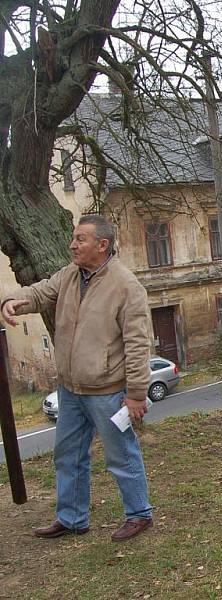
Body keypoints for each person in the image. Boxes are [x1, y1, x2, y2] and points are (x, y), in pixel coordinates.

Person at [1, 214, 153, 542]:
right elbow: (40, 293)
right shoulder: (71, 275)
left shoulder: (127, 286)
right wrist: (13, 301)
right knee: (67, 455)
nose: (73, 244)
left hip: (109, 392)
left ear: (103, 245)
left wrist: (137, 393)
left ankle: (139, 513)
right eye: (73, 238)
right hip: (70, 389)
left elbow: (139, 343)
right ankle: (72, 518)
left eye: (80, 239)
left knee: (121, 454)